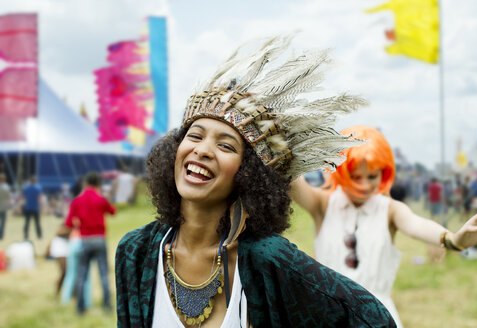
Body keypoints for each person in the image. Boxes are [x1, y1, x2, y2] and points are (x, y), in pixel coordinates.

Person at [115, 36, 396, 328]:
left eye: (225, 146)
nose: (202, 150)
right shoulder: (136, 251)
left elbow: (373, 319)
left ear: (249, 173)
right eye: (195, 136)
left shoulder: (268, 259)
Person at [291, 125, 477, 327]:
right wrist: (278, 143)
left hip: (376, 317)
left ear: (383, 173)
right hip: (329, 318)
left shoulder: (390, 210)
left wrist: (453, 240)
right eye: (355, 176)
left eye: (372, 176)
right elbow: (291, 180)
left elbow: (416, 224)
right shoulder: (323, 204)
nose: (364, 185)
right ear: (341, 171)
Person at [64, 171, 116, 314]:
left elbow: (68, 223)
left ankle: (80, 307)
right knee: (104, 274)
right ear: (98, 184)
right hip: (100, 239)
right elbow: (112, 211)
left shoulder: (77, 200)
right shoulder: (100, 199)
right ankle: (107, 305)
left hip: (85, 239)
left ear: (86, 183)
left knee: (82, 274)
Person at [22, 176, 43, 240]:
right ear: (35, 181)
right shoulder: (38, 188)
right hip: (35, 208)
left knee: (27, 222)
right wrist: (41, 206)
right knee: (37, 223)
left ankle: (26, 235)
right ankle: (39, 235)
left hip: (28, 207)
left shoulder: (26, 188)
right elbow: (39, 198)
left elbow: (23, 197)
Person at [0, 173, 11, 240]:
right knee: (3, 223)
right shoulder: (6, 187)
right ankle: (1, 235)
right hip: (4, 207)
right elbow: (8, 198)